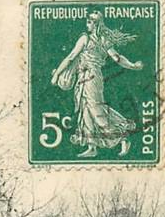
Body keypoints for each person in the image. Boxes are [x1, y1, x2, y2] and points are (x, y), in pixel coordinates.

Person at [51, 11, 143, 158]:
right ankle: (92, 146)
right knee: (85, 109)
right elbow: (117, 58)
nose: (87, 24)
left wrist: (56, 75)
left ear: (96, 24)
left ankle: (122, 136)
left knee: (95, 108)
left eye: (89, 22)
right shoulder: (103, 40)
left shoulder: (86, 38)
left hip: (91, 78)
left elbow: (70, 57)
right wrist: (132, 65)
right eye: (87, 21)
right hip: (84, 77)